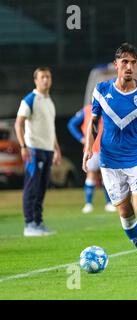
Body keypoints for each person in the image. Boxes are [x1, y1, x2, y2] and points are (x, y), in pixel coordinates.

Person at [82, 43, 137, 271]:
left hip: (135, 160)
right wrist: (88, 148)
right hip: (109, 162)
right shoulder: (101, 90)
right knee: (125, 213)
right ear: (116, 65)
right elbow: (94, 121)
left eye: (133, 63)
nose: (129, 67)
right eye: (125, 62)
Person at [15, 67, 62, 237]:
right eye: (42, 77)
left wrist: (56, 149)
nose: (45, 80)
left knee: (42, 188)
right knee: (31, 187)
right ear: (36, 80)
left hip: (48, 150)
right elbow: (18, 124)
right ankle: (29, 224)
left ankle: (38, 222)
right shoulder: (30, 99)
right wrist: (23, 146)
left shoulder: (49, 101)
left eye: (48, 76)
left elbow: (51, 129)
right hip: (34, 149)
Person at [67, 105, 116, 213]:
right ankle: (88, 204)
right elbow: (71, 124)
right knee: (91, 175)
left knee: (106, 176)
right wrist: (81, 138)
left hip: (107, 149)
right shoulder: (87, 110)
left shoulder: (110, 108)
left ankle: (109, 203)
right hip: (92, 149)